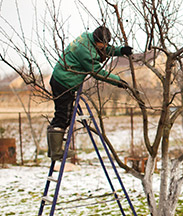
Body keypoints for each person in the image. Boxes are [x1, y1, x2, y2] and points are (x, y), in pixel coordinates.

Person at [47, 25, 133, 160]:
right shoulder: (85, 52)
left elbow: (102, 50)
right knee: (63, 116)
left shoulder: (88, 38)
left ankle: (53, 149)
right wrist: (118, 81)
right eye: (103, 44)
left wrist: (120, 50)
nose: (104, 46)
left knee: (64, 115)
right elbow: (97, 72)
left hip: (63, 79)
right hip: (64, 83)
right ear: (97, 40)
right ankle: (56, 151)